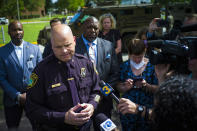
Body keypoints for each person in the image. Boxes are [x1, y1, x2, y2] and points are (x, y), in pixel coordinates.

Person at [25, 24, 101, 130]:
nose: (64, 51)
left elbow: (97, 92)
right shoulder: (40, 72)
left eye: (67, 45)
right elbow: (31, 109)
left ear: (74, 40)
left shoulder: (86, 64)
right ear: (51, 45)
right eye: (58, 47)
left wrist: (92, 105)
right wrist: (63, 117)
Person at [75, 16, 120, 130]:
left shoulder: (108, 46)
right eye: (89, 27)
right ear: (83, 28)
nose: (93, 31)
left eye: (96, 28)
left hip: (103, 101)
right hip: (81, 103)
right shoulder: (74, 46)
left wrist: (101, 93)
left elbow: (114, 73)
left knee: (105, 128)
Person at [0, 20, 42, 129]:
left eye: (20, 29)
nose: (18, 32)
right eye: (14, 30)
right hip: (12, 100)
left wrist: (30, 92)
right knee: (13, 127)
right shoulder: (2, 52)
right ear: (9, 32)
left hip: (33, 98)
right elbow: (1, 78)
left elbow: (39, 73)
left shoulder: (35, 49)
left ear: (23, 31)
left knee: (38, 126)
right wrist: (17, 96)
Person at [117, 39, 158, 131]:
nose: (137, 60)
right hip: (127, 112)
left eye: (140, 57)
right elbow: (118, 86)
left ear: (145, 52)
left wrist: (147, 86)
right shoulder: (124, 66)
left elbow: (159, 88)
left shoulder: (152, 66)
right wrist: (125, 86)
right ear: (129, 53)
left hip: (146, 111)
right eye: (134, 57)